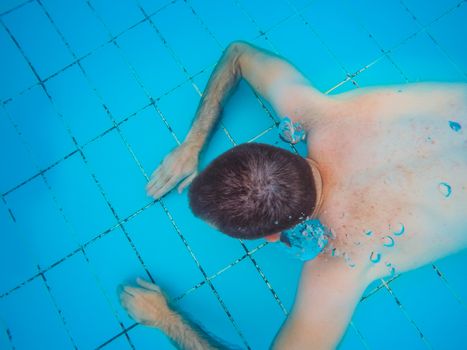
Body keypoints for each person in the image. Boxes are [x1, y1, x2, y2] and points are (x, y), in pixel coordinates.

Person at [119, 41, 467, 349]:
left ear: (272, 236)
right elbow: (238, 53)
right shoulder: (313, 113)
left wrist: (166, 320)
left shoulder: (339, 262)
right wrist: (191, 145)